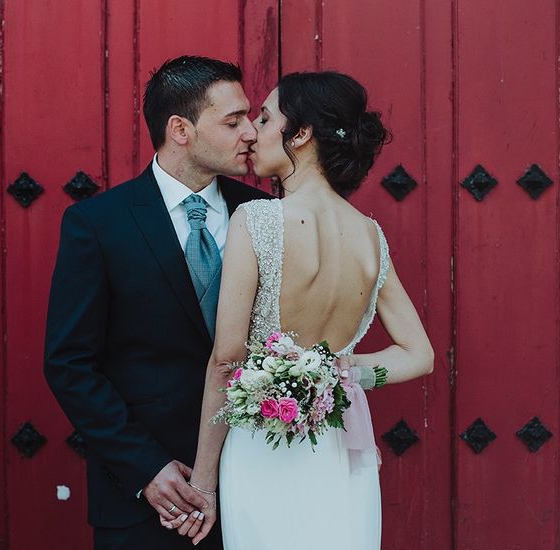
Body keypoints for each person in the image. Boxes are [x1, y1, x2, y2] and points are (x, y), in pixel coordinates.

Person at [171, 71, 436, 549]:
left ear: (301, 134)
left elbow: (228, 360)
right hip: (337, 451)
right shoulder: (370, 235)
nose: (252, 132)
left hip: (261, 448)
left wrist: (204, 482)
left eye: (267, 118)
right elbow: (419, 354)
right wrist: (344, 370)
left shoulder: (255, 220)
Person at [43, 55, 271, 550]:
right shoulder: (97, 224)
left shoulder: (266, 216)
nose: (251, 132)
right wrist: (144, 467)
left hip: (257, 477)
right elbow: (69, 364)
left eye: (250, 118)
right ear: (180, 130)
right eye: (233, 121)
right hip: (148, 497)